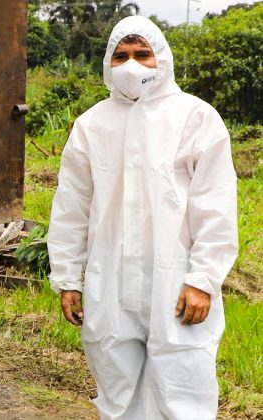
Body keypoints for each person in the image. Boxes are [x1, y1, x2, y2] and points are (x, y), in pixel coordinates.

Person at [47, 16, 238, 419]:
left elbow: (215, 205)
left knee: (182, 390)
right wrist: (67, 277)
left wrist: (202, 279)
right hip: (110, 281)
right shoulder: (91, 125)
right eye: (121, 55)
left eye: (141, 54)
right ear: (108, 63)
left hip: (176, 279)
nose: (131, 64)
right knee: (118, 394)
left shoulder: (195, 118)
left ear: (161, 59)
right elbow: (71, 207)